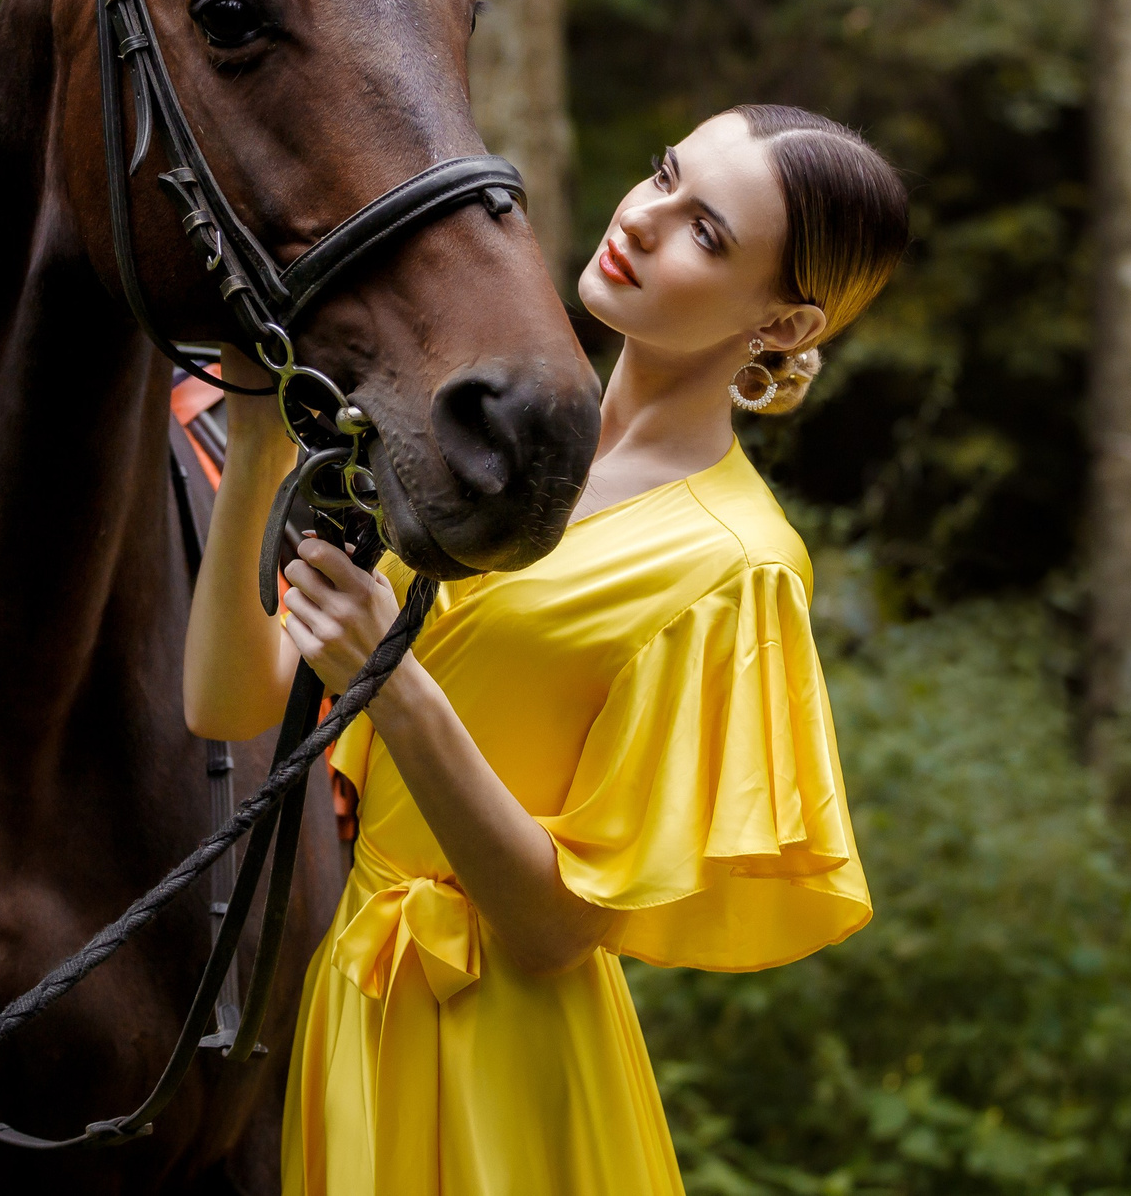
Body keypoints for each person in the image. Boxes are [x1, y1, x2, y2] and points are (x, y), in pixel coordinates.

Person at [184, 104, 911, 1196]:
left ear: (782, 327)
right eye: (665, 175)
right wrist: (251, 455)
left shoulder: (734, 566)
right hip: (356, 998)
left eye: (706, 233)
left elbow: (555, 927)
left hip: (505, 1054)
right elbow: (226, 708)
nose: (645, 218)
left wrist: (390, 679)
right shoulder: (478, 441)